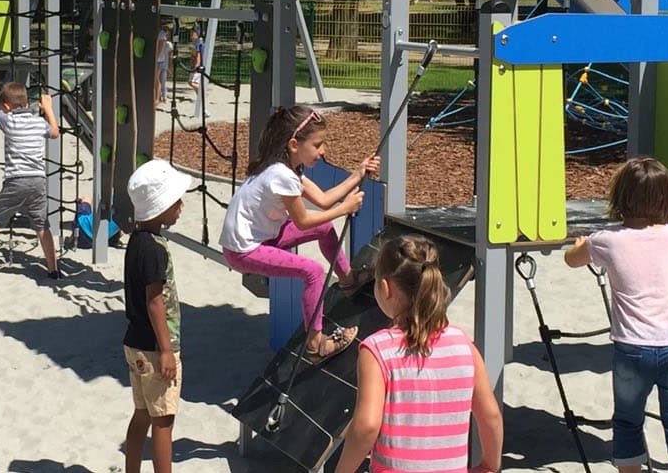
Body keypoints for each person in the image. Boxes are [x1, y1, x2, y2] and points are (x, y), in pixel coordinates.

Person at [564, 158, 668, 473]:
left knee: (627, 422)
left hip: (634, 348)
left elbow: (571, 260)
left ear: (621, 196)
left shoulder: (607, 241)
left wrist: (582, 245)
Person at [219, 105, 378, 361]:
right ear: (294, 144)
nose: (323, 151)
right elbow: (303, 221)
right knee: (313, 272)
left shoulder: (286, 168)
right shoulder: (282, 176)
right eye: (318, 145)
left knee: (324, 227)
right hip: (244, 250)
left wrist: (358, 174)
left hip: (262, 235)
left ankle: (348, 280)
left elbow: (324, 200)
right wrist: (345, 209)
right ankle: (316, 346)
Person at [335, 234, 504, 473]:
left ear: (385, 288)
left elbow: (367, 426)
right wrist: (489, 464)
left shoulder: (377, 350)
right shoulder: (464, 344)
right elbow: (491, 416)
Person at [122, 159, 193, 473]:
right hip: (155, 347)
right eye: (175, 201)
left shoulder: (136, 242)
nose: (180, 206)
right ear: (160, 207)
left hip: (135, 344)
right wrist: (166, 350)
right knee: (163, 422)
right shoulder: (155, 249)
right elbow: (155, 302)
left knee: (142, 415)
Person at [0, 73, 63, 280]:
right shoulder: (37, 122)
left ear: (6, 107)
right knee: (42, 224)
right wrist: (49, 109)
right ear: (26, 103)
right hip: (38, 180)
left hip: (16, 180)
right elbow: (55, 132)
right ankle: (53, 269)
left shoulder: (9, 121)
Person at [154, 29, 173, 108]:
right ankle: (160, 97)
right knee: (159, 79)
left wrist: (157, 57)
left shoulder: (161, 33)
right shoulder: (163, 35)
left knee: (158, 79)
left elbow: (161, 45)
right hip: (161, 60)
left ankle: (159, 98)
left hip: (160, 60)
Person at [186, 27, 204, 99]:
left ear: (197, 34)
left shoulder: (198, 44)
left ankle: (201, 93)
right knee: (192, 82)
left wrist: (196, 66)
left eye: (192, 34)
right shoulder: (200, 43)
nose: (191, 36)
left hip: (197, 66)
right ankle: (199, 96)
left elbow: (198, 56)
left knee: (192, 82)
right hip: (198, 65)